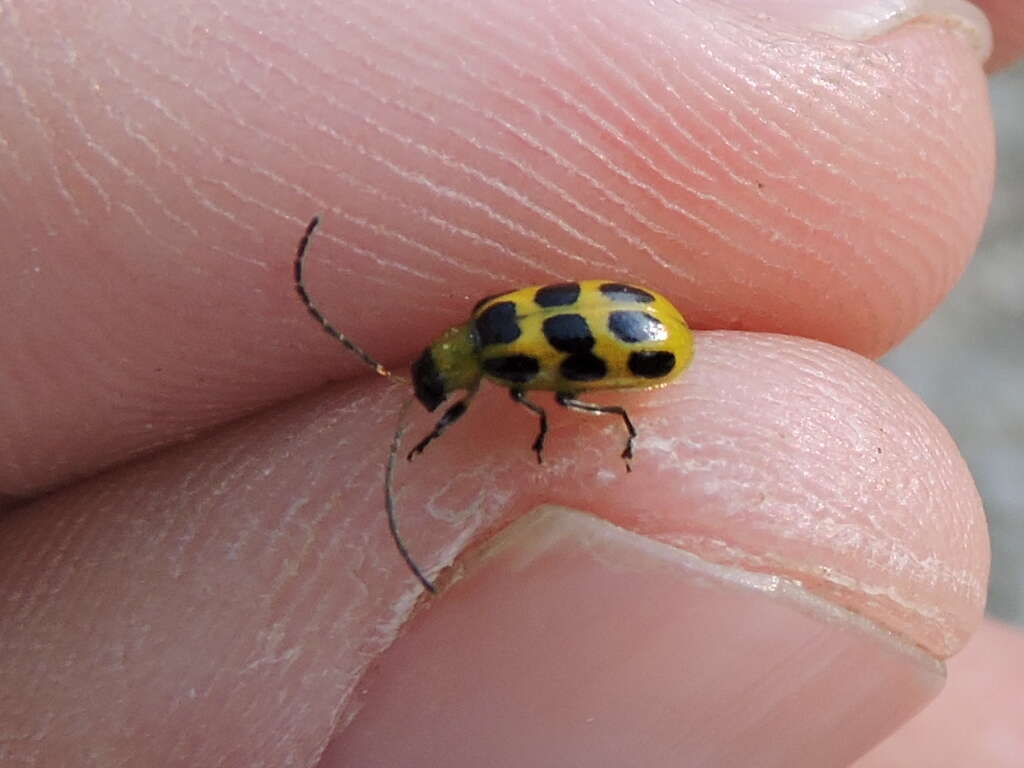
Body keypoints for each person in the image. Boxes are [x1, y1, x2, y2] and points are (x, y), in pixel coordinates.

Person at [1, 0, 1021, 764]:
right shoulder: (491, 327)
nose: (439, 394)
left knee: (561, 422)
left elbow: (546, 399)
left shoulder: (508, 363)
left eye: (439, 393)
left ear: (453, 371)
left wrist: (577, 429)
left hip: (652, 342)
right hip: (644, 330)